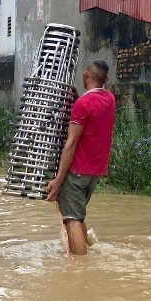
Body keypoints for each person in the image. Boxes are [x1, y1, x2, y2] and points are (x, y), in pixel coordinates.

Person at [45, 60, 116, 255]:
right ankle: (93, 247)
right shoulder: (110, 99)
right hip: (95, 172)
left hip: (77, 172)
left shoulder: (82, 105)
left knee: (71, 219)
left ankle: (80, 269)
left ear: (86, 76)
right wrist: (77, 99)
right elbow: (92, 115)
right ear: (105, 79)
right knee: (77, 214)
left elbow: (71, 143)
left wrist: (58, 180)